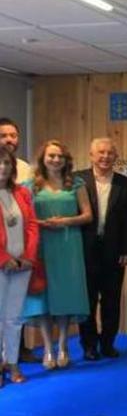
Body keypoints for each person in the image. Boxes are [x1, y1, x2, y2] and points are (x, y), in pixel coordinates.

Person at [21, 140, 92, 369]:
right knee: (43, 296)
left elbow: (87, 215)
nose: (56, 160)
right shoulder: (30, 185)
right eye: (51, 156)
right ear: (43, 158)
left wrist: (65, 221)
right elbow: (24, 217)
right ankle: (48, 349)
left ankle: (63, 345)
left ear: (66, 159)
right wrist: (40, 223)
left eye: (60, 156)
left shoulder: (76, 183)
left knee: (65, 295)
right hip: (40, 245)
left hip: (68, 243)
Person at [76, 138, 127, 360]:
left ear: (115, 156)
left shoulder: (125, 183)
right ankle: (89, 345)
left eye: (110, 153)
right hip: (85, 250)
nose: (105, 157)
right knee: (88, 301)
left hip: (114, 251)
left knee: (111, 300)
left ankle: (108, 344)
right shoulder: (78, 180)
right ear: (91, 155)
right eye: (100, 152)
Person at [0, 148, 38, 386]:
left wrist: (28, 256)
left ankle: (12, 363)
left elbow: (32, 225)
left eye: (5, 163)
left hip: (22, 263)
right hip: (2, 264)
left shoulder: (22, 192)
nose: (2, 167)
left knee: (14, 318)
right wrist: (5, 259)